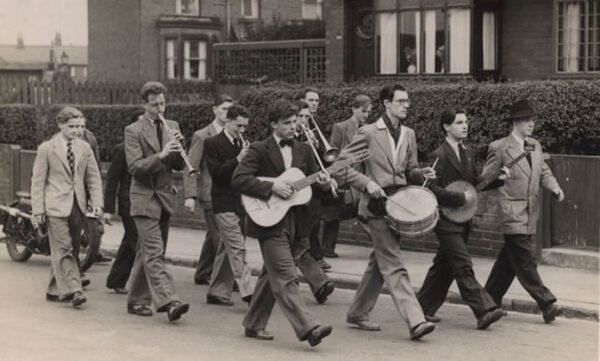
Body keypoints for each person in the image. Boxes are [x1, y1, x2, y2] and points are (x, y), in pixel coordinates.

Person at [337, 84, 436, 340]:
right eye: (401, 101)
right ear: (386, 103)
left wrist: (421, 173)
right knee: (392, 261)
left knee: (379, 260)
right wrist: (367, 183)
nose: (406, 105)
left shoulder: (409, 134)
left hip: (399, 205)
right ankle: (416, 320)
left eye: (407, 101)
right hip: (376, 206)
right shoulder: (368, 132)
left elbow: (409, 169)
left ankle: (357, 311)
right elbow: (341, 167)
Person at [232, 99, 335, 347]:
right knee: (287, 275)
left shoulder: (305, 150)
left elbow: (313, 187)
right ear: (273, 124)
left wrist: (323, 181)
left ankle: (254, 323)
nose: (293, 127)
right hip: (268, 222)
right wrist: (272, 186)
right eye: (287, 123)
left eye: (294, 122)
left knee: (272, 274)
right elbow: (239, 179)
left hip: (297, 222)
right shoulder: (259, 149)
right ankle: (308, 327)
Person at [417, 110, 506, 330]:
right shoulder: (439, 154)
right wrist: (458, 197)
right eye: (459, 122)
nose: (465, 126)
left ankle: (421, 309)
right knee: (462, 265)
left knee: (444, 266)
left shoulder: (467, 152)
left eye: (466, 122)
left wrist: (499, 180)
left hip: (463, 219)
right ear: (447, 127)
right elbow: (431, 187)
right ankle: (484, 309)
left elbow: (474, 183)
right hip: (446, 219)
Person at [482, 99, 565, 324]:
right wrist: (499, 176)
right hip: (511, 212)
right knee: (525, 260)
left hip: (530, 213)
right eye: (527, 120)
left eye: (532, 120)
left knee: (509, 262)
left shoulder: (534, 145)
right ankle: (547, 304)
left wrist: (555, 187)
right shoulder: (499, 147)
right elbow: (485, 180)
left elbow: (543, 171)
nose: (531, 124)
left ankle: (487, 302)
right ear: (516, 121)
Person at [124, 81, 189, 321]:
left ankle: (136, 300)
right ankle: (169, 300)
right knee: (154, 252)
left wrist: (180, 147)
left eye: (162, 103)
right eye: (154, 105)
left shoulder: (172, 125)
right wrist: (161, 154)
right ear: (144, 104)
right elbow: (135, 167)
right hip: (144, 198)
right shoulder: (133, 130)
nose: (160, 109)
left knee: (146, 253)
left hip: (164, 198)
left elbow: (180, 165)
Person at [31, 106, 103, 308]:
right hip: (54, 206)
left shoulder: (84, 148)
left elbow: (93, 178)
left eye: (80, 127)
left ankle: (54, 289)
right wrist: (38, 211)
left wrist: (97, 203)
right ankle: (74, 289)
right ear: (60, 125)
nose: (77, 131)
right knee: (64, 248)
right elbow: (37, 182)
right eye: (72, 126)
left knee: (69, 248)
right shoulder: (46, 148)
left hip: (77, 206)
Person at [204, 104, 255, 306]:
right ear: (228, 121)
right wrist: (238, 159)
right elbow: (216, 173)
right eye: (239, 126)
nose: (242, 131)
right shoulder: (212, 143)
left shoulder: (241, 144)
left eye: (244, 127)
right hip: (222, 201)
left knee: (227, 248)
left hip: (239, 202)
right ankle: (250, 293)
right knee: (237, 247)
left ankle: (217, 292)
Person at [183, 95, 234, 285]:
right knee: (222, 237)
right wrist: (190, 195)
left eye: (230, 109)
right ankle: (230, 278)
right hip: (211, 193)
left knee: (215, 233)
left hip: (229, 193)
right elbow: (190, 166)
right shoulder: (202, 135)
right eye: (223, 109)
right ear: (214, 110)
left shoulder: (234, 132)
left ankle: (203, 272)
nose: (227, 113)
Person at [290, 101, 335, 304]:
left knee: (299, 244)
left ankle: (308, 284)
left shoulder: (310, 143)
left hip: (309, 201)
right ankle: (318, 283)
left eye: (307, 117)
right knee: (298, 244)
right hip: (288, 203)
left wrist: (326, 178)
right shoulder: (286, 141)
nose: (303, 121)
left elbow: (318, 169)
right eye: (300, 116)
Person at [324, 94, 372, 258]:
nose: (366, 115)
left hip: (361, 175)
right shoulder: (340, 127)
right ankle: (327, 248)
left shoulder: (369, 129)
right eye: (363, 111)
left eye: (368, 112)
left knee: (364, 210)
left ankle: (381, 244)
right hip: (343, 175)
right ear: (354, 109)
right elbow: (332, 153)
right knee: (333, 215)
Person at [104, 113, 142, 294]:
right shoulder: (123, 149)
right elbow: (112, 180)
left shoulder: (152, 148)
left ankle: (116, 280)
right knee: (140, 243)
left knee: (130, 242)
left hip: (144, 201)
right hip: (128, 203)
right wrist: (108, 209)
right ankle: (153, 287)